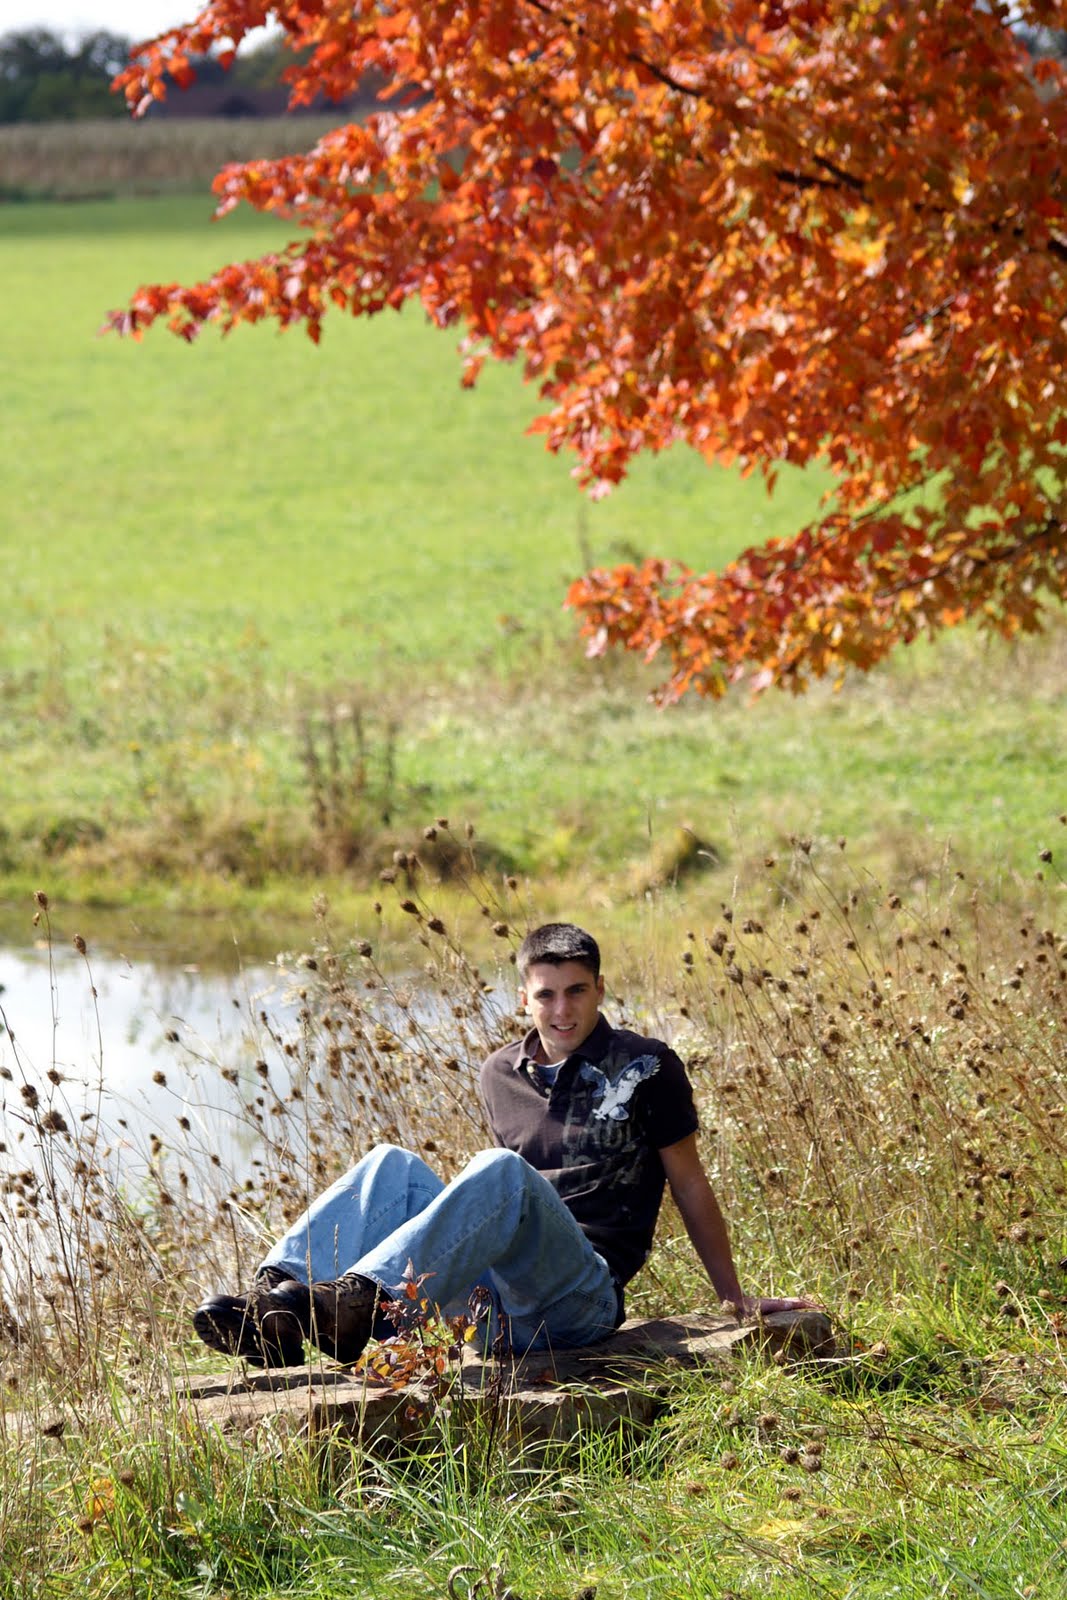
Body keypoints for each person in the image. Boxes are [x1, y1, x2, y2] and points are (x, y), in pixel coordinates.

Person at [193, 922, 811, 1367]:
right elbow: (485, 1215)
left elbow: (690, 1182)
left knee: (501, 1170)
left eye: (576, 990)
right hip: (494, 1309)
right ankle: (273, 1311)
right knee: (391, 1165)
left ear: (600, 989)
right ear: (523, 998)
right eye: (546, 994)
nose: (562, 1009)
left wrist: (733, 1297)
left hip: (579, 1301)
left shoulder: (647, 1066)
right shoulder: (499, 1073)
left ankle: (358, 1304)